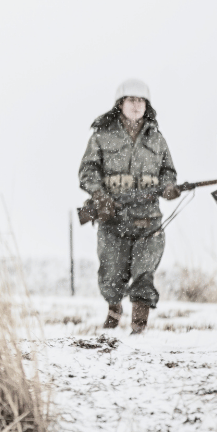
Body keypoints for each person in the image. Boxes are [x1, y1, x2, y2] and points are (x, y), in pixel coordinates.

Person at [79, 79, 179, 334]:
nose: (136, 105)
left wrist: (169, 186)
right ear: (120, 104)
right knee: (111, 275)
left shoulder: (157, 138)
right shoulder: (102, 135)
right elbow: (88, 170)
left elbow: (168, 170)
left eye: (141, 101)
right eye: (131, 100)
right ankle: (113, 311)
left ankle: (139, 327)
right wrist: (99, 196)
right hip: (113, 220)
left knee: (144, 273)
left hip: (149, 220)